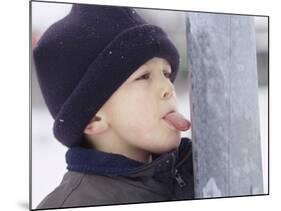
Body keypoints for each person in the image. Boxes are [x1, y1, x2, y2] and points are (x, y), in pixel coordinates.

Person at [33, 3, 194, 209]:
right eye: (144, 76)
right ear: (94, 118)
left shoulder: (197, 173)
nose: (168, 88)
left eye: (166, 73)